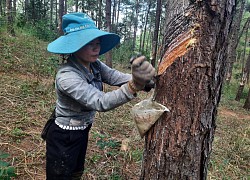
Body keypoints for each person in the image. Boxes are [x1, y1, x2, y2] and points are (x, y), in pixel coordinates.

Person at [45, 12, 155, 179]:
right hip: (63, 136)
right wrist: (134, 86)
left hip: (82, 130)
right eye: (90, 44)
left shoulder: (94, 64)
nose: (96, 48)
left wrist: (143, 79)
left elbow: (114, 76)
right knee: (60, 175)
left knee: (75, 171)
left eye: (97, 43)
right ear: (75, 46)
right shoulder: (67, 76)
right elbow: (100, 101)